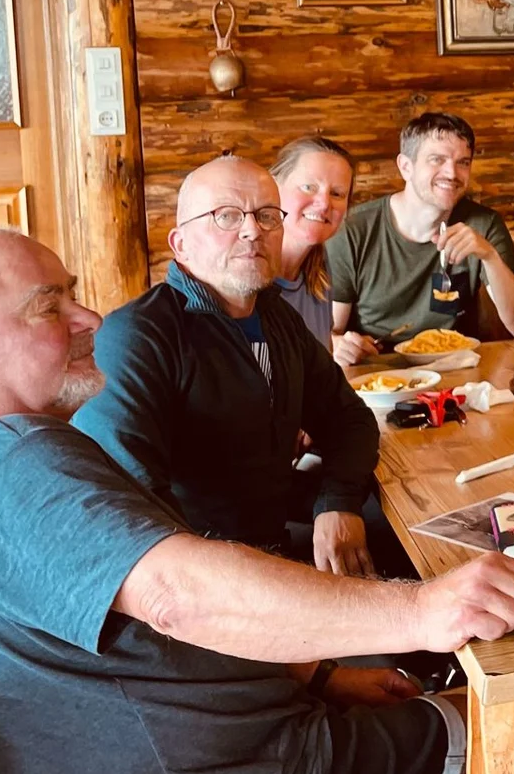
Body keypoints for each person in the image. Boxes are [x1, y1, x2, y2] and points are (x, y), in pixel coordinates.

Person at [0, 226, 514, 774]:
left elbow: (137, 626)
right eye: (49, 306)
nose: (89, 318)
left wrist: (319, 676)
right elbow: (178, 596)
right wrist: (424, 610)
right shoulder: (10, 465)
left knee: (373, 738)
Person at [75, 156, 388, 576]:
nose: (251, 230)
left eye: (266, 216)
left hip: (275, 545)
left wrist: (337, 504)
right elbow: (128, 503)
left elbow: (350, 419)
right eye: (226, 216)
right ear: (180, 244)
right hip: (195, 582)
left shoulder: (277, 319)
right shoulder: (137, 336)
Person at [329, 112, 514, 346]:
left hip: (461, 371)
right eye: (437, 159)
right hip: (379, 372)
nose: (452, 174)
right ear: (406, 167)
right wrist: (338, 345)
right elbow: (331, 332)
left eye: (463, 163)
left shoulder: (483, 223)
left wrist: (490, 257)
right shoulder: (353, 229)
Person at [271, 135, 376, 366]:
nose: (324, 203)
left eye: (337, 193)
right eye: (309, 187)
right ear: (273, 188)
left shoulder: (320, 267)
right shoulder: (248, 275)